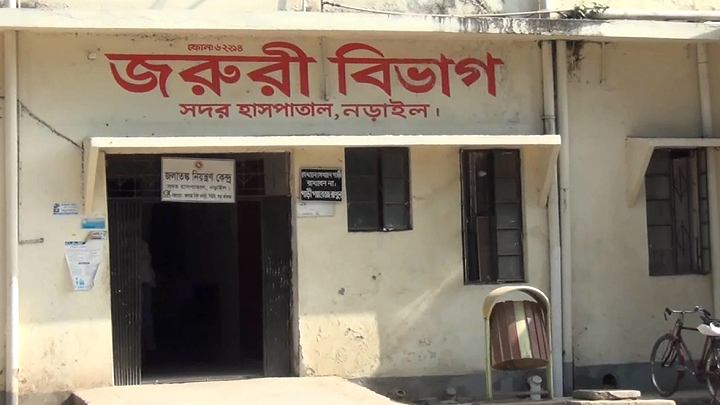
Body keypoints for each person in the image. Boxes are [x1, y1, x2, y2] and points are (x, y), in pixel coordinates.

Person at [140, 239, 157, 359]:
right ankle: (147, 346)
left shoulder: (140, 245)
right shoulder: (142, 245)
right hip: (144, 282)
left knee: (144, 316)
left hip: (142, 283)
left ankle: (146, 347)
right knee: (145, 315)